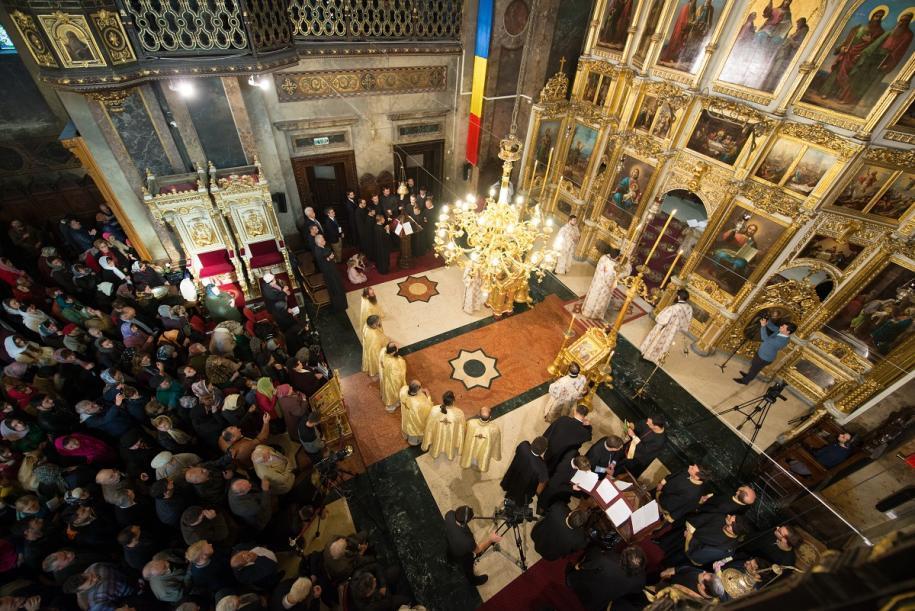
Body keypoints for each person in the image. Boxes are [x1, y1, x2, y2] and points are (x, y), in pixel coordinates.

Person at [567, 545, 647, 611]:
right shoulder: (641, 580)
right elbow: (637, 590)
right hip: (597, 606)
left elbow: (589, 558)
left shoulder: (606, 559)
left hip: (580, 591)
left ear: (623, 555)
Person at [443, 505, 501, 585]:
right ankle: (473, 581)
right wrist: (491, 539)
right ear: (465, 523)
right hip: (462, 555)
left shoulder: (449, 514)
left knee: (450, 555)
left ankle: (450, 562)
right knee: (468, 569)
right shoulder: (468, 541)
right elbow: (478, 550)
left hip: (450, 543)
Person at [733, 319, 796, 385]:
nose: (780, 327)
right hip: (762, 353)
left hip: (764, 358)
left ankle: (745, 381)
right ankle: (749, 375)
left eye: (783, 327)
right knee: (754, 366)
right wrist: (767, 321)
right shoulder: (781, 331)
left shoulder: (781, 341)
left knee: (754, 369)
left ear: (788, 331)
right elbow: (773, 327)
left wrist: (763, 326)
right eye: (782, 326)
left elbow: (765, 339)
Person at [640, 289, 693, 365]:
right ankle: (657, 359)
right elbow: (686, 323)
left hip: (663, 329)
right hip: (673, 332)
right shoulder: (689, 308)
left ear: (678, 297)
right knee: (665, 344)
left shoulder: (673, 308)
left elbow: (661, 320)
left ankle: (648, 356)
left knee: (656, 341)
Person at [500, 436, 549, 508]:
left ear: (532, 443)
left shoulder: (524, 445)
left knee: (512, 487)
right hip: (523, 488)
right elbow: (541, 485)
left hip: (513, 476)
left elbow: (517, 450)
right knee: (519, 498)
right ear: (543, 451)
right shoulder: (542, 468)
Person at [542, 404, 592, 472]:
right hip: (563, 455)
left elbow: (550, 430)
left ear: (575, 411)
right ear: (585, 416)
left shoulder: (563, 419)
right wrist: (588, 426)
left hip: (551, 448)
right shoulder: (585, 432)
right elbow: (589, 437)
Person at [580, 253, 629, 320]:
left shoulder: (603, 258)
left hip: (597, 283)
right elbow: (623, 273)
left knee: (593, 296)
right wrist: (628, 265)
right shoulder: (615, 266)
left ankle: (586, 311)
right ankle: (595, 315)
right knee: (600, 300)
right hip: (605, 287)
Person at [421, 391, 466, 461]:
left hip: (438, 434)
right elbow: (462, 429)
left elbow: (429, 426)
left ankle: (436, 451)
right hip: (451, 436)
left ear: (443, 399)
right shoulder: (459, 413)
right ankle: (449, 453)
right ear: (453, 401)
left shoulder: (434, 409)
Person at [460, 406, 502, 472]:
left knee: (471, 456)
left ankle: (470, 462)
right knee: (481, 457)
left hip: (471, 448)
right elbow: (496, 443)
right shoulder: (495, 429)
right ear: (490, 417)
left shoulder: (470, 423)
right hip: (484, 452)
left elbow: (464, 434)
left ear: (479, 415)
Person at [314, 234, 347, 311]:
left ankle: (341, 303)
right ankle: (340, 306)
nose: (324, 240)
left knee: (338, 288)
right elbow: (325, 260)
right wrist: (329, 258)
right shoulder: (319, 250)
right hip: (330, 274)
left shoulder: (321, 248)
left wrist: (329, 258)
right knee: (336, 289)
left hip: (331, 271)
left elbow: (328, 255)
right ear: (320, 242)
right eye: (323, 239)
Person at [399, 380, 433, 446]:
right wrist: (428, 395)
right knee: (414, 435)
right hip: (414, 424)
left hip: (406, 417)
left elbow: (407, 388)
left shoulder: (403, 390)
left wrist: (420, 390)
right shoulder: (419, 403)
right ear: (417, 390)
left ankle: (406, 436)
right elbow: (429, 408)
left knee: (406, 424)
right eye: (420, 387)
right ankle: (413, 441)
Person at [379, 342, 407, 412]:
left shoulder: (383, 352)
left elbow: (381, 363)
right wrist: (402, 362)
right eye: (396, 348)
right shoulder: (395, 362)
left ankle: (389, 401)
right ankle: (392, 405)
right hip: (393, 381)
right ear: (393, 351)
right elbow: (399, 374)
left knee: (387, 389)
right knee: (393, 392)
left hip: (386, 377)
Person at [361, 315, 387, 380]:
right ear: (373, 325)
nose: (380, 322)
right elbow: (378, 348)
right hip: (375, 352)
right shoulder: (374, 336)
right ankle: (376, 371)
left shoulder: (366, 326)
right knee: (377, 362)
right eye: (378, 322)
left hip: (370, 347)